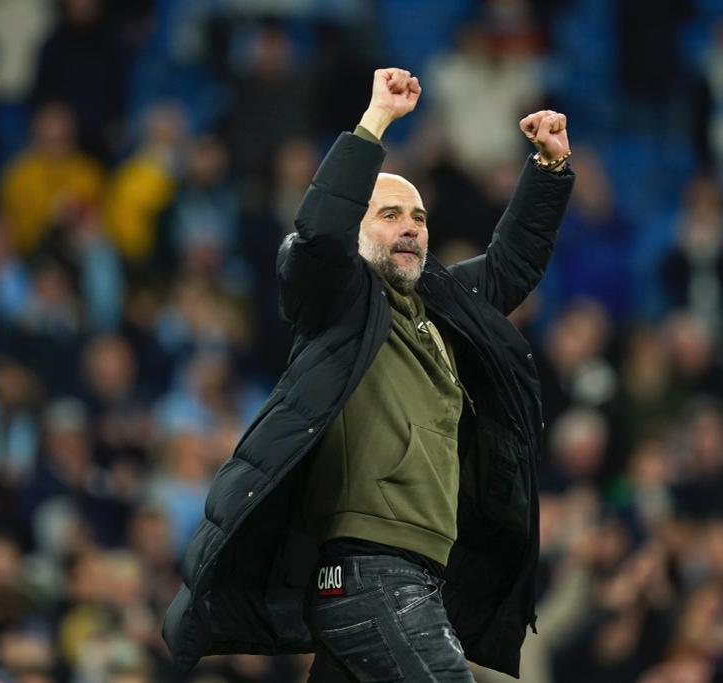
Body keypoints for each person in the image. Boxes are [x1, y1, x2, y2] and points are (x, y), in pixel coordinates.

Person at [162, 68, 575, 680]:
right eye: (388, 214)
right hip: (372, 574)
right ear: (357, 233)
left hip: (411, 578)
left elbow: (512, 264)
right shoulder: (338, 299)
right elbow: (319, 233)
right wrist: (374, 121)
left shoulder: (442, 305)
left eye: (419, 216)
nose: (410, 226)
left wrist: (548, 170)